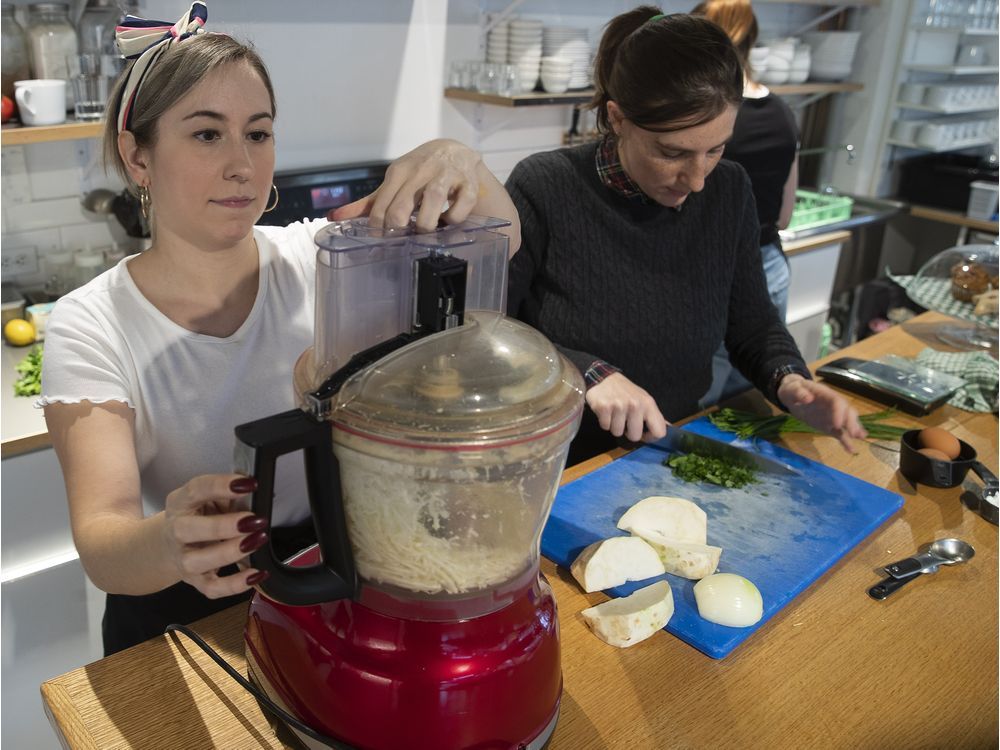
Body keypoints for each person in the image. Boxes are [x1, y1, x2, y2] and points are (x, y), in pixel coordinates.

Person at [39, 2, 520, 656]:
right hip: (179, 604)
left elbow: (502, 239)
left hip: (326, 572)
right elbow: (103, 542)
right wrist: (169, 539)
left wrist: (458, 157)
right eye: (207, 134)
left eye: (258, 133)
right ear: (138, 158)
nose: (243, 164)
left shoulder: (319, 258)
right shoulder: (90, 323)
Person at [505, 8, 864, 467]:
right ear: (617, 119)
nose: (696, 180)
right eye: (672, 152)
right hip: (557, 459)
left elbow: (753, 323)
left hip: (671, 449)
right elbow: (492, 330)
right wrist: (586, 373)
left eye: (715, 149)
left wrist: (789, 380)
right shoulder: (544, 186)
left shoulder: (730, 189)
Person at [693, 0, 801, 407]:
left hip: (709, 269)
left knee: (699, 407)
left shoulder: (708, 117)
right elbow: (785, 215)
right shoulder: (783, 114)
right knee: (751, 403)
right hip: (769, 264)